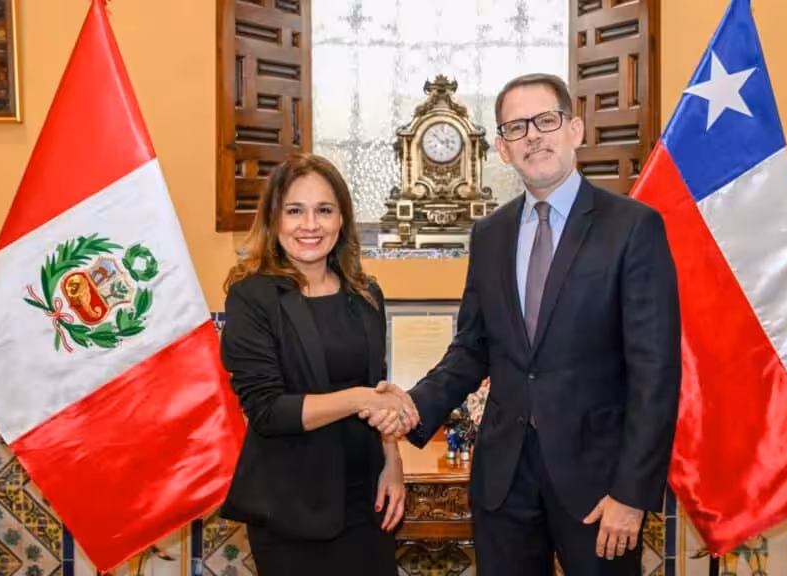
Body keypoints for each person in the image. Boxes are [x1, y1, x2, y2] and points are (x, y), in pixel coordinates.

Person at [366, 73, 682, 575]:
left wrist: (632, 492)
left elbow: (656, 372)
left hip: (598, 485)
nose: (533, 136)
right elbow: (472, 349)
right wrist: (412, 407)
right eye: (516, 127)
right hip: (504, 482)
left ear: (575, 129)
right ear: (502, 148)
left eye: (546, 120)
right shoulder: (489, 234)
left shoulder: (633, 227)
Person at [218, 153, 419, 576]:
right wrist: (359, 398)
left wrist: (392, 461)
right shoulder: (251, 297)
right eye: (295, 211)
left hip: (368, 501)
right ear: (274, 220)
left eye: (324, 210)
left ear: (342, 219)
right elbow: (268, 411)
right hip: (292, 509)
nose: (310, 225)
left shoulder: (366, 294)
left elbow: (376, 386)